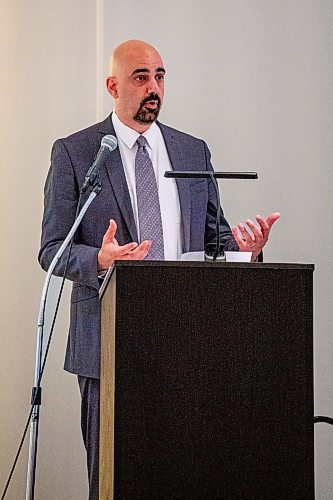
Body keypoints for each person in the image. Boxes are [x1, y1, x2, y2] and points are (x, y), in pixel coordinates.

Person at [39, 39, 280, 499]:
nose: (154, 87)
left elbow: (214, 237)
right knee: (112, 479)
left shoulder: (192, 151)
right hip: (107, 347)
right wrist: (99, 258)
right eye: (140, 77)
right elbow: (52, 249)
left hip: (187, 343)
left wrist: (245, 249)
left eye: (160, 76)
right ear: (113, 86)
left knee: (182, 476)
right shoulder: (76, 152)